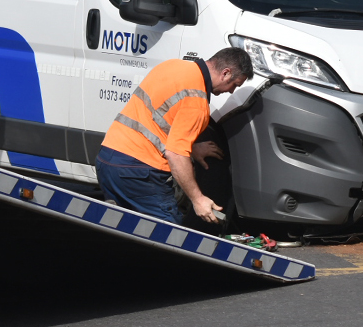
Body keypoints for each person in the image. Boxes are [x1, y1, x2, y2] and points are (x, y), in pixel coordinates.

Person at [95, 48, 253, 224]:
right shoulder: (196, 100)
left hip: (107, 161)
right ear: (225, 73)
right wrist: (198, 199)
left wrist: (191, 148)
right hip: (138, 173)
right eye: (235, 85)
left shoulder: (172, 66)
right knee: (171, 237)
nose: (231, 91)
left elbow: (156, 120)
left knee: (127, 228)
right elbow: (175, 154)